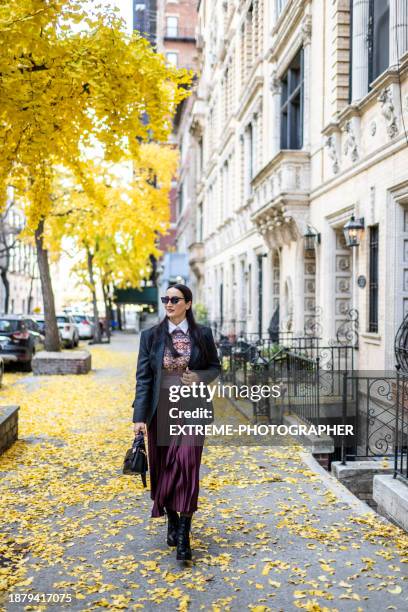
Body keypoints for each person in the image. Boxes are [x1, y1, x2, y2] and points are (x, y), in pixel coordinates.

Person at [132, 284, 221, 561]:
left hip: (192, 408)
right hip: (161, 412)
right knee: (164, 468)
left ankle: (184, 533)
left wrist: (200, 377)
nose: (168, 303)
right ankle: (171, 516)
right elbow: (144, 378)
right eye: (165, 299)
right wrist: (139, 418)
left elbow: (215, 367)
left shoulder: (202, 334)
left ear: (188, 304)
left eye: (175, 299)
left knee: (187, 465)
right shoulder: (151, 336)